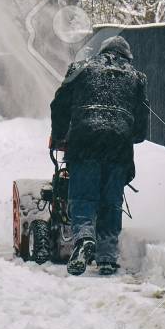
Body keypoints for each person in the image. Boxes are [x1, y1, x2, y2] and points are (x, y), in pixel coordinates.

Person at [49, 35, 148, 276]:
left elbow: (59, 104)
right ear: (127, 57)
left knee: (83, 195)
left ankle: (83, 237)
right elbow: (142, 120)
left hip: (85, 141)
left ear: (101, 52)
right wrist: (130, 135)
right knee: (111, 201)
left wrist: (59, 134)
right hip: (118, 147)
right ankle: (107, 257)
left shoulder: (81, 69)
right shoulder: (136, 78)